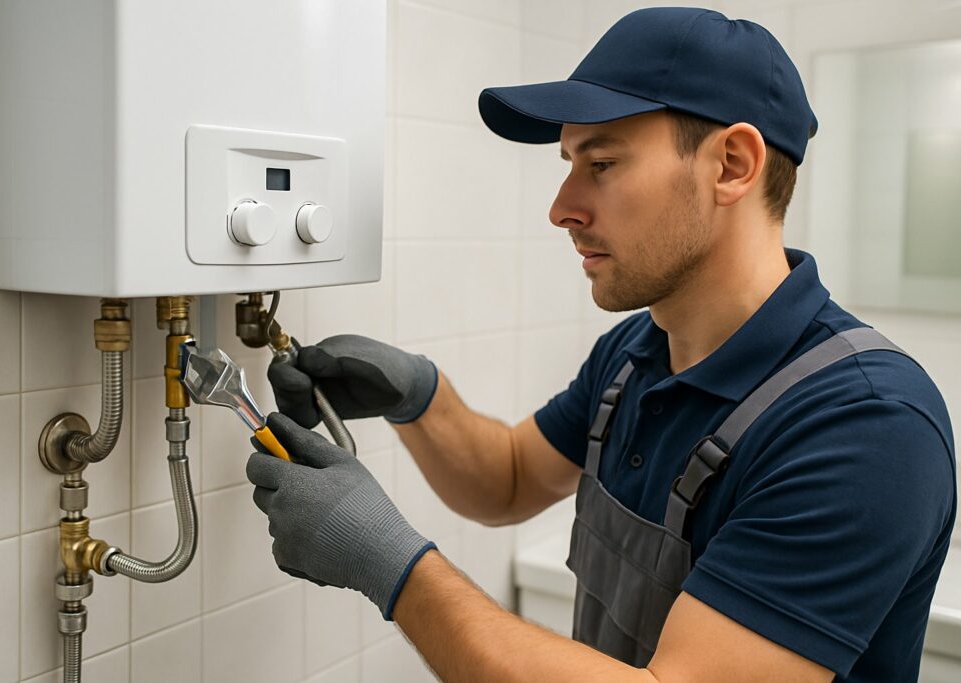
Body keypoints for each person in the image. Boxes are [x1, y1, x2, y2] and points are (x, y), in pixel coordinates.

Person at [247, 7, 956, 682]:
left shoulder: (867, 427)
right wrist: (422, 397)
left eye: (603, 163)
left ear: (733, 165)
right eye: (569, 162)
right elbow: (514, 477)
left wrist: (388, 562)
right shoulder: (637, 350)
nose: (562, 208)